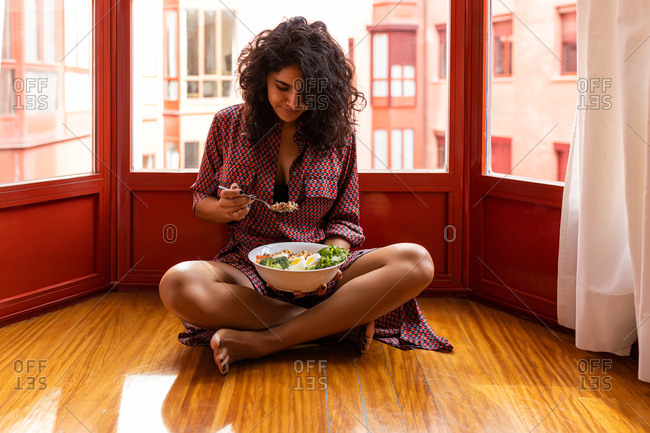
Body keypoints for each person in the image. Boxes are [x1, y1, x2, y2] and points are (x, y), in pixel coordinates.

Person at [159, 17, 452, 375]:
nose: (293, 101)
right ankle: (334, 326)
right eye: (282, 87)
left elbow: (345, 222)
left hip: (323, 268)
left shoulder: (339, 138)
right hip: (248, 271)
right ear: (261, 79)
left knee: (417, 261)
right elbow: (200, 201)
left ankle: (267, 341)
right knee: (178, 284)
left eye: (305, 91)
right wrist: (223, 210)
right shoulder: (227, 124)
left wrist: (323, 268)